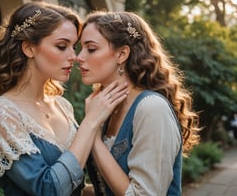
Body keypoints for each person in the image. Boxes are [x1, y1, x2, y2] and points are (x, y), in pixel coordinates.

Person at [0, 2, 129, 196]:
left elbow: (75, 186)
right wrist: (90, 122)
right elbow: (48, 189)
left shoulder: (62, 106)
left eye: (73, 47)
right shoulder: (0, 111)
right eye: (61, 46)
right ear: (29, 48)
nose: (74, 57)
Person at [77, 11, 201, 195]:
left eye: (91, 49)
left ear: (122, 54)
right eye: (80, 48)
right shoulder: (109, 108)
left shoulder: (151, 108)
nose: (79, 57)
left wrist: (93, 134)